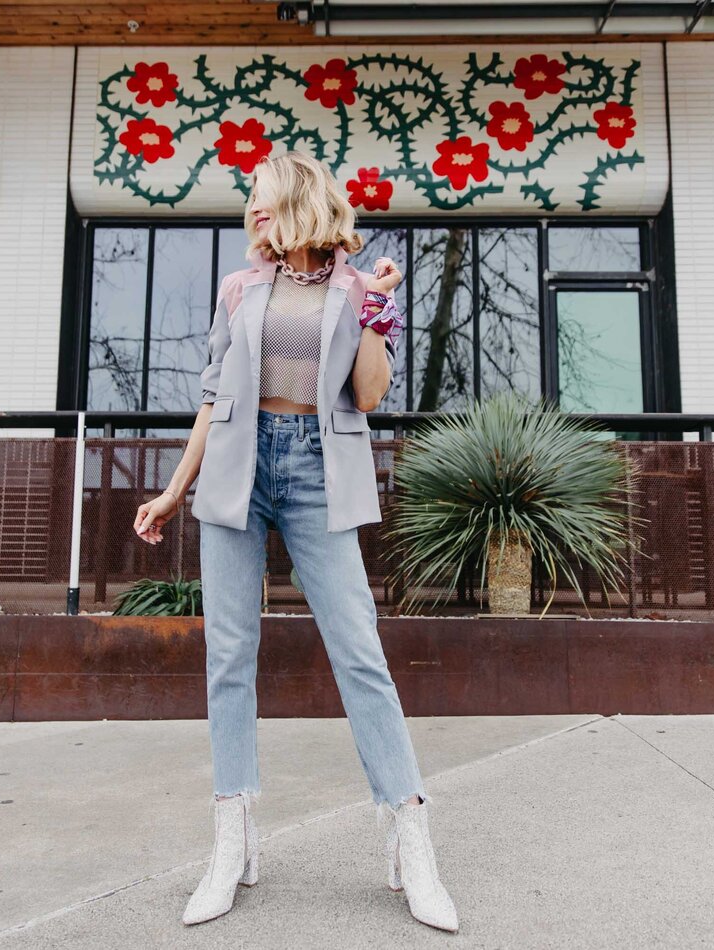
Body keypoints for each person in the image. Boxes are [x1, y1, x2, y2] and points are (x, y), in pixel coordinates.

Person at [133, 151, 459, 934]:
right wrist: (176, 490)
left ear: (300, 203)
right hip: (236, 469)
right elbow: (214, 395)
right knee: (229, 656)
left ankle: (408, 833)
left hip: (318, 467)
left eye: (262, 198)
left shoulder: (357, 286)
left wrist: (377, 315)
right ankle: (233, 842)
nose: (251, 212)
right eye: (249, 201)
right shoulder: (241, 288)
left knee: (358, 649)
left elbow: (371, 394)